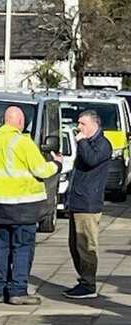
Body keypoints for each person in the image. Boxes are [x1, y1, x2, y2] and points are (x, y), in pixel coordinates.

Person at [0, 106, 62, 305]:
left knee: (2, 247)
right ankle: (18, 291)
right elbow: (41, 170)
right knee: (22, 248)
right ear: (20, 122)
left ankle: (0, 290)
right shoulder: (23, 142)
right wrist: (57, 164)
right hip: (22, 206)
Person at [64, 110, 112, 299]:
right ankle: (83, 278)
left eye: (82, 123)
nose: (79, 127)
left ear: (94, 124)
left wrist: (82, 141)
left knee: (86, 245)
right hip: (77, 201)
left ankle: (88, 284)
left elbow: (91, 160)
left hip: (89, 204)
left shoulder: (102, 144)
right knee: (74, 245)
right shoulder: (89, 144)